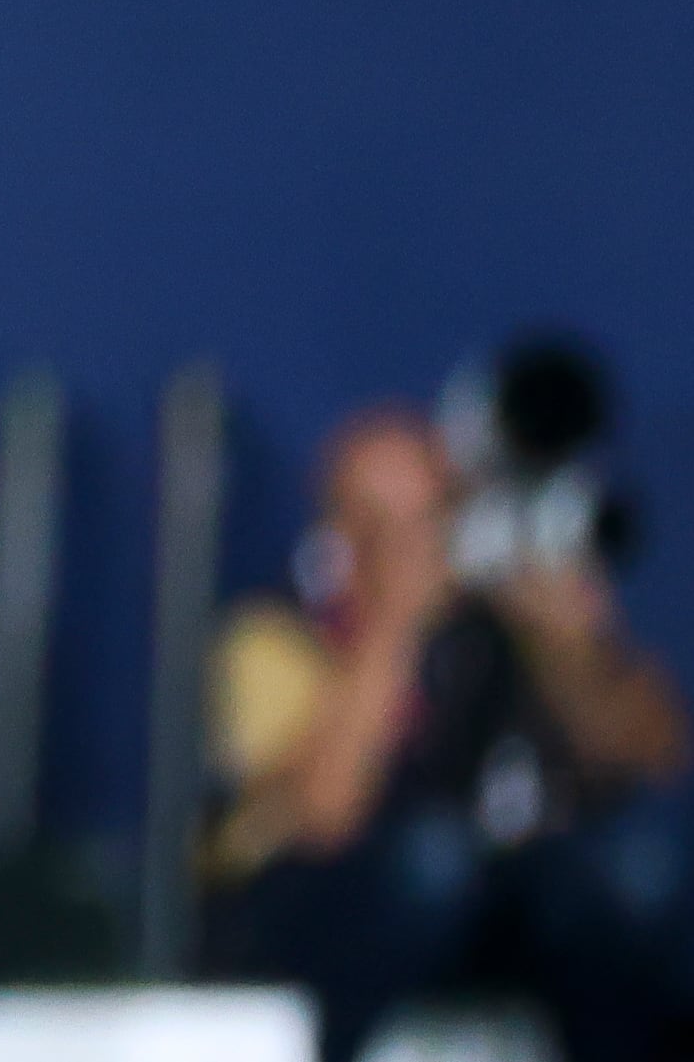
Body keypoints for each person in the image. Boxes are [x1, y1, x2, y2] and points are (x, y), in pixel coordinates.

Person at [209, 409, 692, 1062]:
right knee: (432, 858)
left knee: (639, 870)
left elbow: (655, 754)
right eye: (391, 523)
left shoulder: (496, 624)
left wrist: (573, 648)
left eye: (438, 513)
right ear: (339, 531)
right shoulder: (273, 636)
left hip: (494, 917)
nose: (424, 540)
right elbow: (324, 815)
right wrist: (395, 624)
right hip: (329, 920)